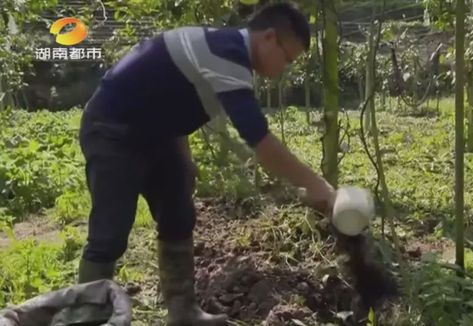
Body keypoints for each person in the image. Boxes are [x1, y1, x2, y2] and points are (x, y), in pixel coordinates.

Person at [77, 2, 336, 325]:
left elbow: (169, 95)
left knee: (179, 215)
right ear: (269, 37)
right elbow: (260, 142)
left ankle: (183, 312)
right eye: (287, 57)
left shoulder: (223, 49)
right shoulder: (226, 53)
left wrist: (183, 161)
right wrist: (317, 186)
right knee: (110, 232)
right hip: (112, 130)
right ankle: (86, 318)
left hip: (158, 134)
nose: (285, 67)